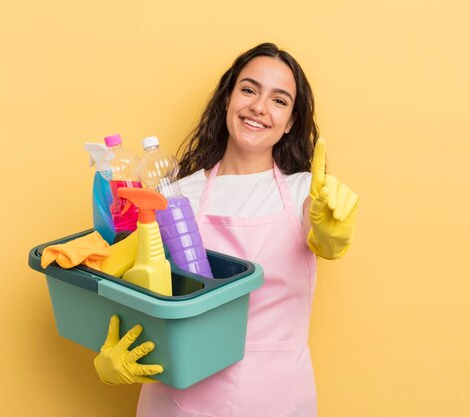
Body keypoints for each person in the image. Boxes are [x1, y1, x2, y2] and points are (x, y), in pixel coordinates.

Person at [93, 42, 359, 417]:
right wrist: (109, 353)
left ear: (291, 123)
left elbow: (324, 241)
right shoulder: (178, 194)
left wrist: (332, 233)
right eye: (249, 89)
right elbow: (134, 285)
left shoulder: (305, 192)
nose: (259, 107)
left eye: (279, 101)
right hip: (178, 402)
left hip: (277, 400)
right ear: (228, 100)